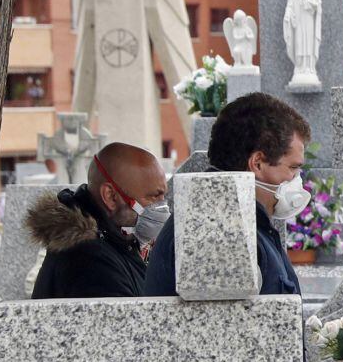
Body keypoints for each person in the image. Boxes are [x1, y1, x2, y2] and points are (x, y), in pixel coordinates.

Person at [144, 93, 311, 297]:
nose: (297, 179)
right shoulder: (217, 227)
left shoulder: (242, 219)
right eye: (293, 168)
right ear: (257, 163)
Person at [26, 142, 169, 299]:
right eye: (154, 196)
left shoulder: (116, 241)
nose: (162, 207)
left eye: (163, 197)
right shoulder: (89, 262)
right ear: (110, 196)